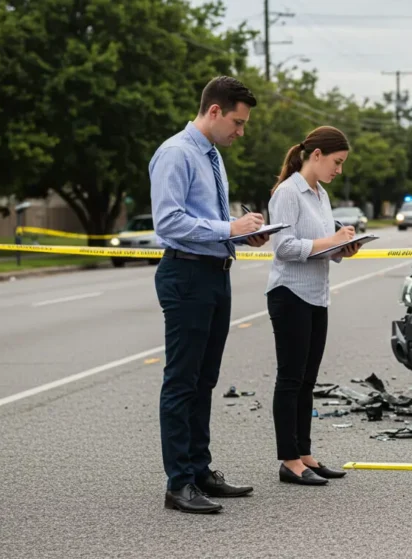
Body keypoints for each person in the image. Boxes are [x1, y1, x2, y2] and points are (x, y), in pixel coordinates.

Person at [150, 76, 271, 514]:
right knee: (182, 381)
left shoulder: (212, 155)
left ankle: (200, 471)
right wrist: (228, 229)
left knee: (205, 380)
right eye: (238, 122)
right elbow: (168, 222)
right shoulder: (176, 153)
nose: (241, 131)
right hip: (186, 276)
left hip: (216, 274)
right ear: (215, 111)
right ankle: (178, 483)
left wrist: (242, 236)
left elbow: (208, 221)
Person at [265, 126, 361, 485]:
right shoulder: (288, 192)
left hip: (317, 295)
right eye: (336, 162)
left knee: (308, 381)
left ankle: (305, 454)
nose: (339, 170)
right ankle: (289, 461)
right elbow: (284, 248)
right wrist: (330, 240)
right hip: (290, 294)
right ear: (316, 155)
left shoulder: (320, 194)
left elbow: (321, 246)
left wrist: (342, 248)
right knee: (290, 379)